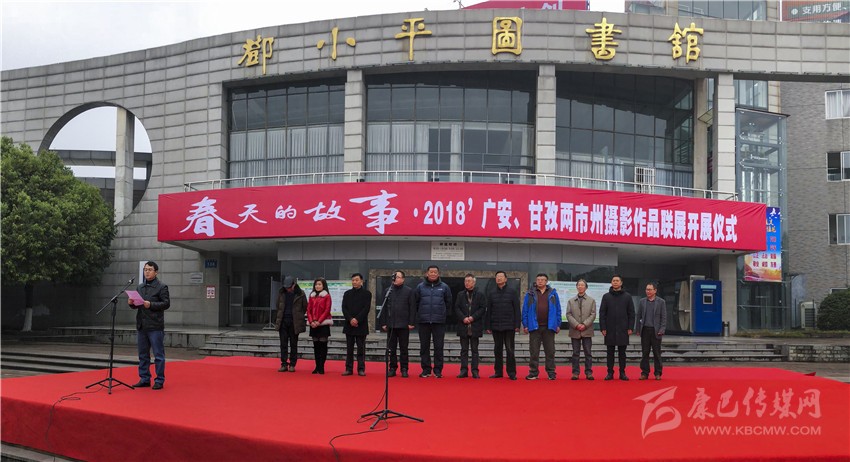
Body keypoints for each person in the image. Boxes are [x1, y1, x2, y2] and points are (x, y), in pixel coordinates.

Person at [129, 261, 170, 390]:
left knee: (158, 355)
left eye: (150, 269)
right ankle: (144, 378)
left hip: (155, 326)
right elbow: (137, 305)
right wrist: (131, 303)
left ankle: (159, 380)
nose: (147, 272)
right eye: (145, 269)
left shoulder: (162, 286)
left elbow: (166, 304)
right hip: (142, 325)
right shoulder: (140, 287)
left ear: (156, 272)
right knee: (143, 355)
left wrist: (151, 304)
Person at [413, 265, 452, 378]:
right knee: (424, 347)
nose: (433, 274)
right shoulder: (420, 287)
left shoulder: (444, 287)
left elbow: (449, 302)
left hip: (438, 322)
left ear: (438, 274)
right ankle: (426, 369)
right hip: (424, 321)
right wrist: (419, 315)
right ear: (427, 273)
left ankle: (438, 370)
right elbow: (416, 303)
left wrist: (444, 316)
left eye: (435, 272)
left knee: (438, 347)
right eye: (431, 272)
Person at [522, 273, 562, 380]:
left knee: (550, 351)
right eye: (538, 279)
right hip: (534, 326)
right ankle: (533, 372)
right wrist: (525, 324)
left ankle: (551, 372)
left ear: (546, 281)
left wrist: (558, 324)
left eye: (542, 279)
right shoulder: (530, 293)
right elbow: (525, 310)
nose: (540, 281)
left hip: (549, 327)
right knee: (534, 351)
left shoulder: (553, 293)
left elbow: (558, 309)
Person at [377, 270, 416, 378]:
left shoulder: (409, 291)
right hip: (391, 324)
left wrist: (411, 322)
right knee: (391, 348)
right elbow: (384, 307)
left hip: (404, 324)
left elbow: (412, 308)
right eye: (394, 277)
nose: (395, 279)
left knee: (404, 348)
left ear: (403, 279)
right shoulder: (388, 291)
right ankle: (392, 368)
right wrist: (383, 322)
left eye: (398, 277)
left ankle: (404, 368)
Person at [599, 274, 635, 381]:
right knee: (610, 352)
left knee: (622, 353)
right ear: (611, 282)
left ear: (621, 283)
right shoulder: (606, 296)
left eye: (617, 280)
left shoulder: (627, 297)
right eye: (613, 280)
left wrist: (630, 327)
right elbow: (602, 313)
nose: (615, 282)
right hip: (609, 329)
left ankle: (622, 373)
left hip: (623, 329)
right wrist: (603, 327)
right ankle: (610, 372)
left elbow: (631, 313)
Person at [485, 270, 520, 380]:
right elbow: (489, 310)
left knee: (510, 350)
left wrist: (517, 324)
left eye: (501, 276)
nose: (499, 278)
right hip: (496, 326)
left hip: (509, 326)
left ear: (505, 279)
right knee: (497, 350)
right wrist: (488, 326)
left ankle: (511, 372)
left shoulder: (512, 292)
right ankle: (498, 372)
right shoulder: (491, 293)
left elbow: (516, 309)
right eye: (497, 277)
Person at [453, 274, 486, 378]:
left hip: (475, 326)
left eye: (469, 281)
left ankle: (475, 370)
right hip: (463, 325)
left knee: (474, 350)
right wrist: (463, 318)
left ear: (474, 282)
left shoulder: (480, 295)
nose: (467, 283)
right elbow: (456, 308)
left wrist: (473, 318)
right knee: (464, 350)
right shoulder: (460, 294)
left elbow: (482, 308)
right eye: (465, 281)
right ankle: (463, 370)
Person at [274, 276, 307, 372]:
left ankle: (292, 364)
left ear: (294, 285)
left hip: (294, 322)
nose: (287, 289)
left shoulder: (300, 294)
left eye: (289, 287)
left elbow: (304, 307)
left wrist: (297, 315)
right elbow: (278, 306)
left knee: (293, 344)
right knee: (283, 344)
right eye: (286, 287)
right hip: (283, 321)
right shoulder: (281, 292)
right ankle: (284, 364)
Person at [341, 273, 372, 376]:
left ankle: (361, 369)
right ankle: (348, 368)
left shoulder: (367, 294)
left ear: (361, 281)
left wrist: (357, 319)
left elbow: (366, 309)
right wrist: (350, 319)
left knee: (361, 348)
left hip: (361, 325)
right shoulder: (347, 294)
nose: (354, 282)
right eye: (353, 280)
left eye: (356, 280)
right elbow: (344, 308)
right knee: (349, 349)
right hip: (349, 324)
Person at [566, 279, 597, 380]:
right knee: (575, 353)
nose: (580, 287)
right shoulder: (571, 301)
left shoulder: (591, 300)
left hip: (587, 330)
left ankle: (589, 372)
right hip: (575, 330)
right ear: (576, 287)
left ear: (586, 287)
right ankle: (575, 372)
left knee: (588, 352)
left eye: (582, 285)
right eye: (579, 285)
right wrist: (576, 325)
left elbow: (593, 314)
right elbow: (568, 314)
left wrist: (584, 324)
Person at [636, 282, 667, 380]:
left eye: (650, 289)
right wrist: (638, 329)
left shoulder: (661, 302)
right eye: (646, 289)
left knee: (657, 353)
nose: (648, 291)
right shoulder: (642, 301)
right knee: (645, 352)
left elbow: (664, 317)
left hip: (656, 331)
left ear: (655, 290)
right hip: (645, 330)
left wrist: (662, 329)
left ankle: (658, 372)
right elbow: (639, 316)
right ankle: (644, 372)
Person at [306, 277, 332, 374]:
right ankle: (317, 366)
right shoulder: (311, 296)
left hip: (323, 324)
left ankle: (321, 366)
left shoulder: (327, 296)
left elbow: (327, 310)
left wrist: (319, 322)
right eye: (316, 284)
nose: (317, 286)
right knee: (316, 347)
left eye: (320, 284)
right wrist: (311, 321)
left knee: (323, 346)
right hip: (313, 324)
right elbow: (308, 310)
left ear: (323, 285)